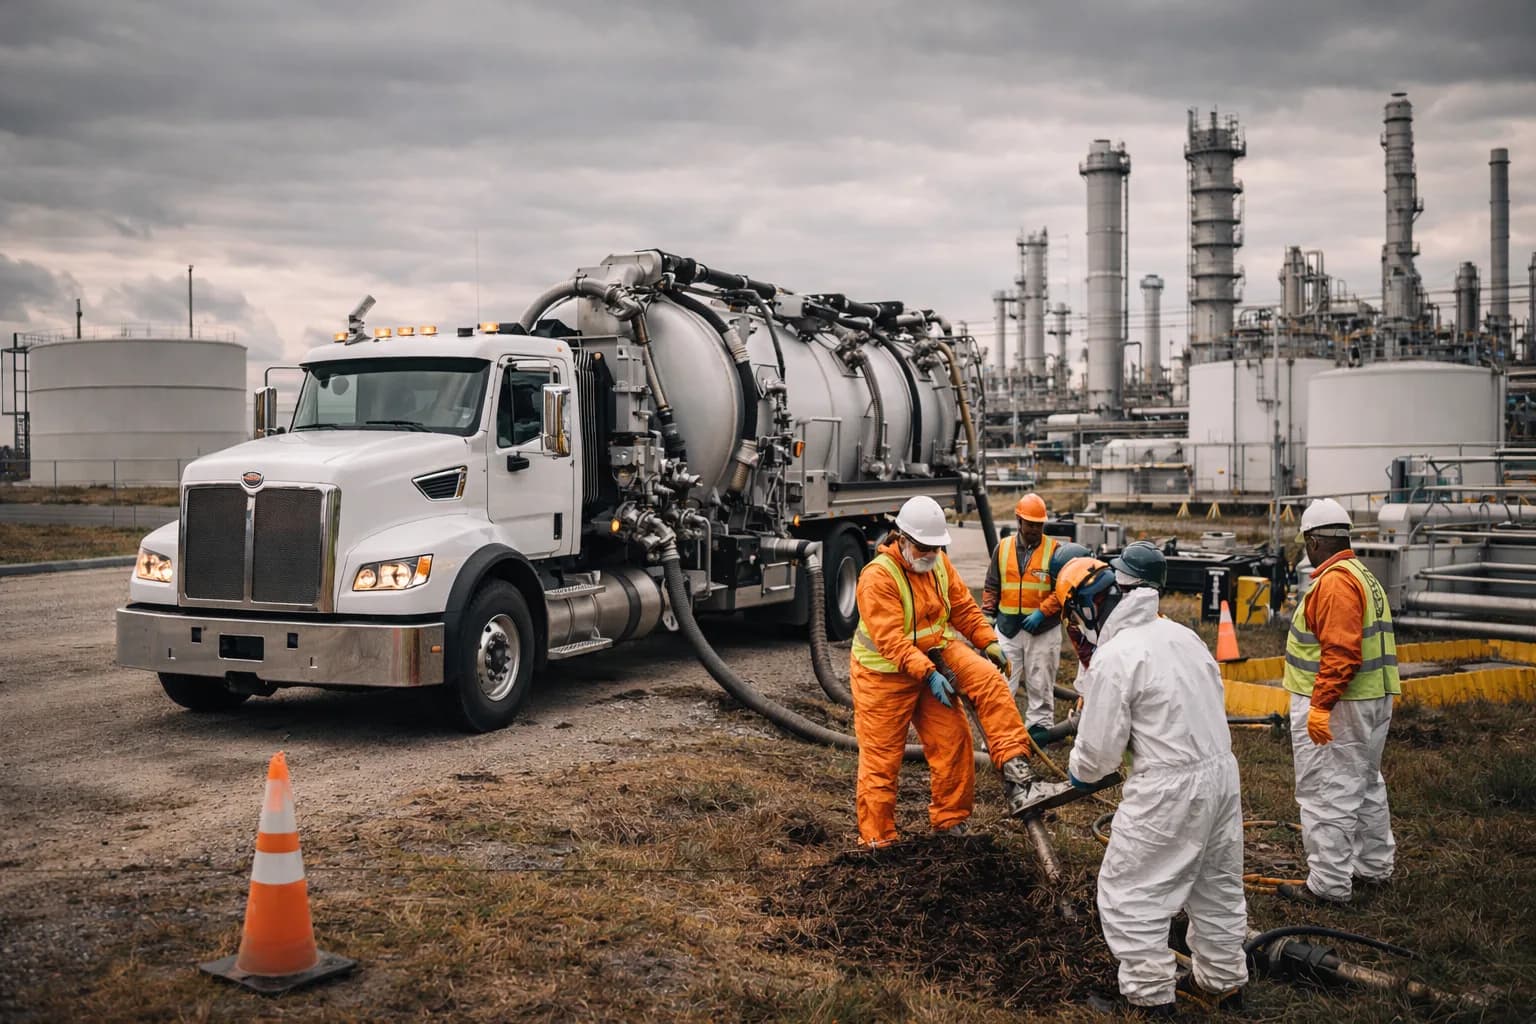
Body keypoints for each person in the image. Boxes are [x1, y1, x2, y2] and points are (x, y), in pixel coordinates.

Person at [1062, 544, 1248, 1016]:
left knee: (1130, 890)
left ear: (1091, 607)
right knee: (1216, 886)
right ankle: (1224, 982)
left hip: (1170, 787)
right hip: (1222, 774)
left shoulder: (1117, 655)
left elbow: (1099, 754)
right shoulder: (1184, 636)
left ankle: (1149, 1000)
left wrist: (1079, 770)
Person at [848, 495, 1045, 845]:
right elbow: (892, 642)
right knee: (881, 762)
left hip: (936, 656)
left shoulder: (937, 563)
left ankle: (1007, 779)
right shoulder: (878, 578)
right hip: (885, 678)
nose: (931, 554)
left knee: (960, 732)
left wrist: (987, 641)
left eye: (936, 547)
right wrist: (927, 673)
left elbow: (962, 607)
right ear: (902, 539)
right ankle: (878, 843)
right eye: (924, 547)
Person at [1279, 498, 1400, 905]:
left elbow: (1342, 652)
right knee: (1364, 783)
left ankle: (1329, 885)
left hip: (1340, 705)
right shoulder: (1362, 575)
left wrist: (1320, 705)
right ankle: (1373, 867)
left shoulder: (1333, 582)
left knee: (1327, 790)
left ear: (1313, 541)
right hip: (1369, 699)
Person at [982, 494, 1062, 744]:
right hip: (1007, 629)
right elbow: (992, 585)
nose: (1036, 529)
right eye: (1031, 524)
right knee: (1001, 683)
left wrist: (1043, 612)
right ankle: (996, 736)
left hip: (1043, 629)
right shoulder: (1002, 548)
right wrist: (987, 616)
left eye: (1039, 525)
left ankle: (1038, 736)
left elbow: (1062, 591)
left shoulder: (1055, 551)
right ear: (1019, 521)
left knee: (1041, 684)